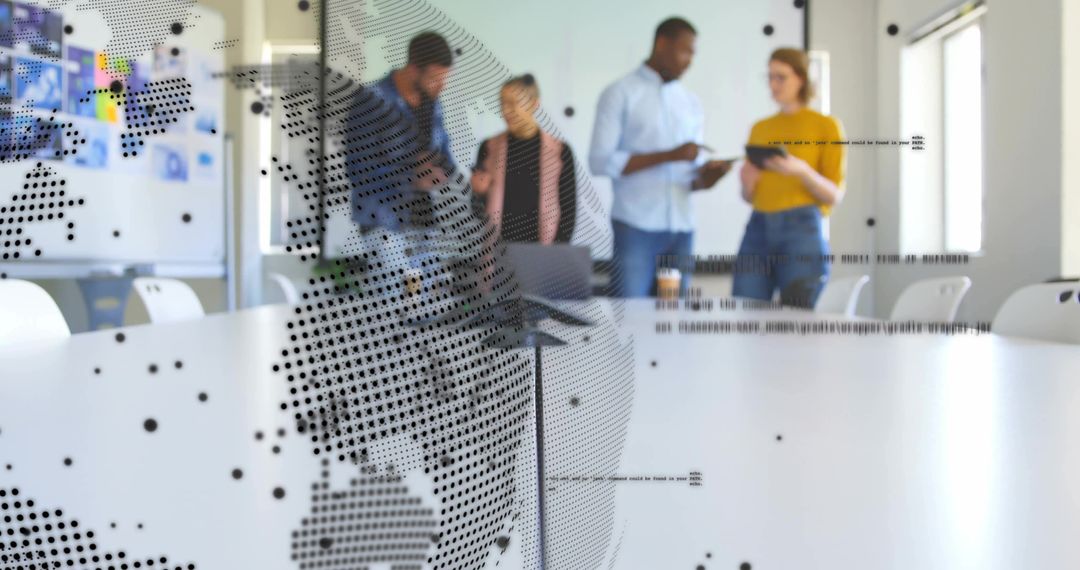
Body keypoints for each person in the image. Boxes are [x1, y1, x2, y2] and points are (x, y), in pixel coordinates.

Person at [589, 17, 731, 298]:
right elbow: (600, 161)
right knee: (630, 317)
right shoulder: (620, 93)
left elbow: (692, 178)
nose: (689, 61)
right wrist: (670, 155)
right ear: (662, 43)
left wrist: (710, 177)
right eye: (685, 51)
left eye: (693, 54)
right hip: (636, 227)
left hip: (682, 228)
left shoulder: (690, 102)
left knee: (673, 319)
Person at [733, 47, 846, 307]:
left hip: (801, 228)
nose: (773, 85)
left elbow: (834, 195)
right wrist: (747, 184)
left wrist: (802, 171)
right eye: (769, 77)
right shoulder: (760, 128)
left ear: (801, 78)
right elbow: (749, 196)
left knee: (799, 318)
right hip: (758, 226)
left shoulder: (826, 126)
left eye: (781, 77)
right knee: (743, 312)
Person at [471, 74, 576, 244]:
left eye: (513, 103)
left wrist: (555, 252)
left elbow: (568, 210)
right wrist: (478, 193)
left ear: (534, 104)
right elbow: (476, 210)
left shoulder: (560, 151)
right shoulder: (489, 148)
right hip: (497, 249)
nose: (506, 111)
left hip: (543, 249)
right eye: (503, 103)